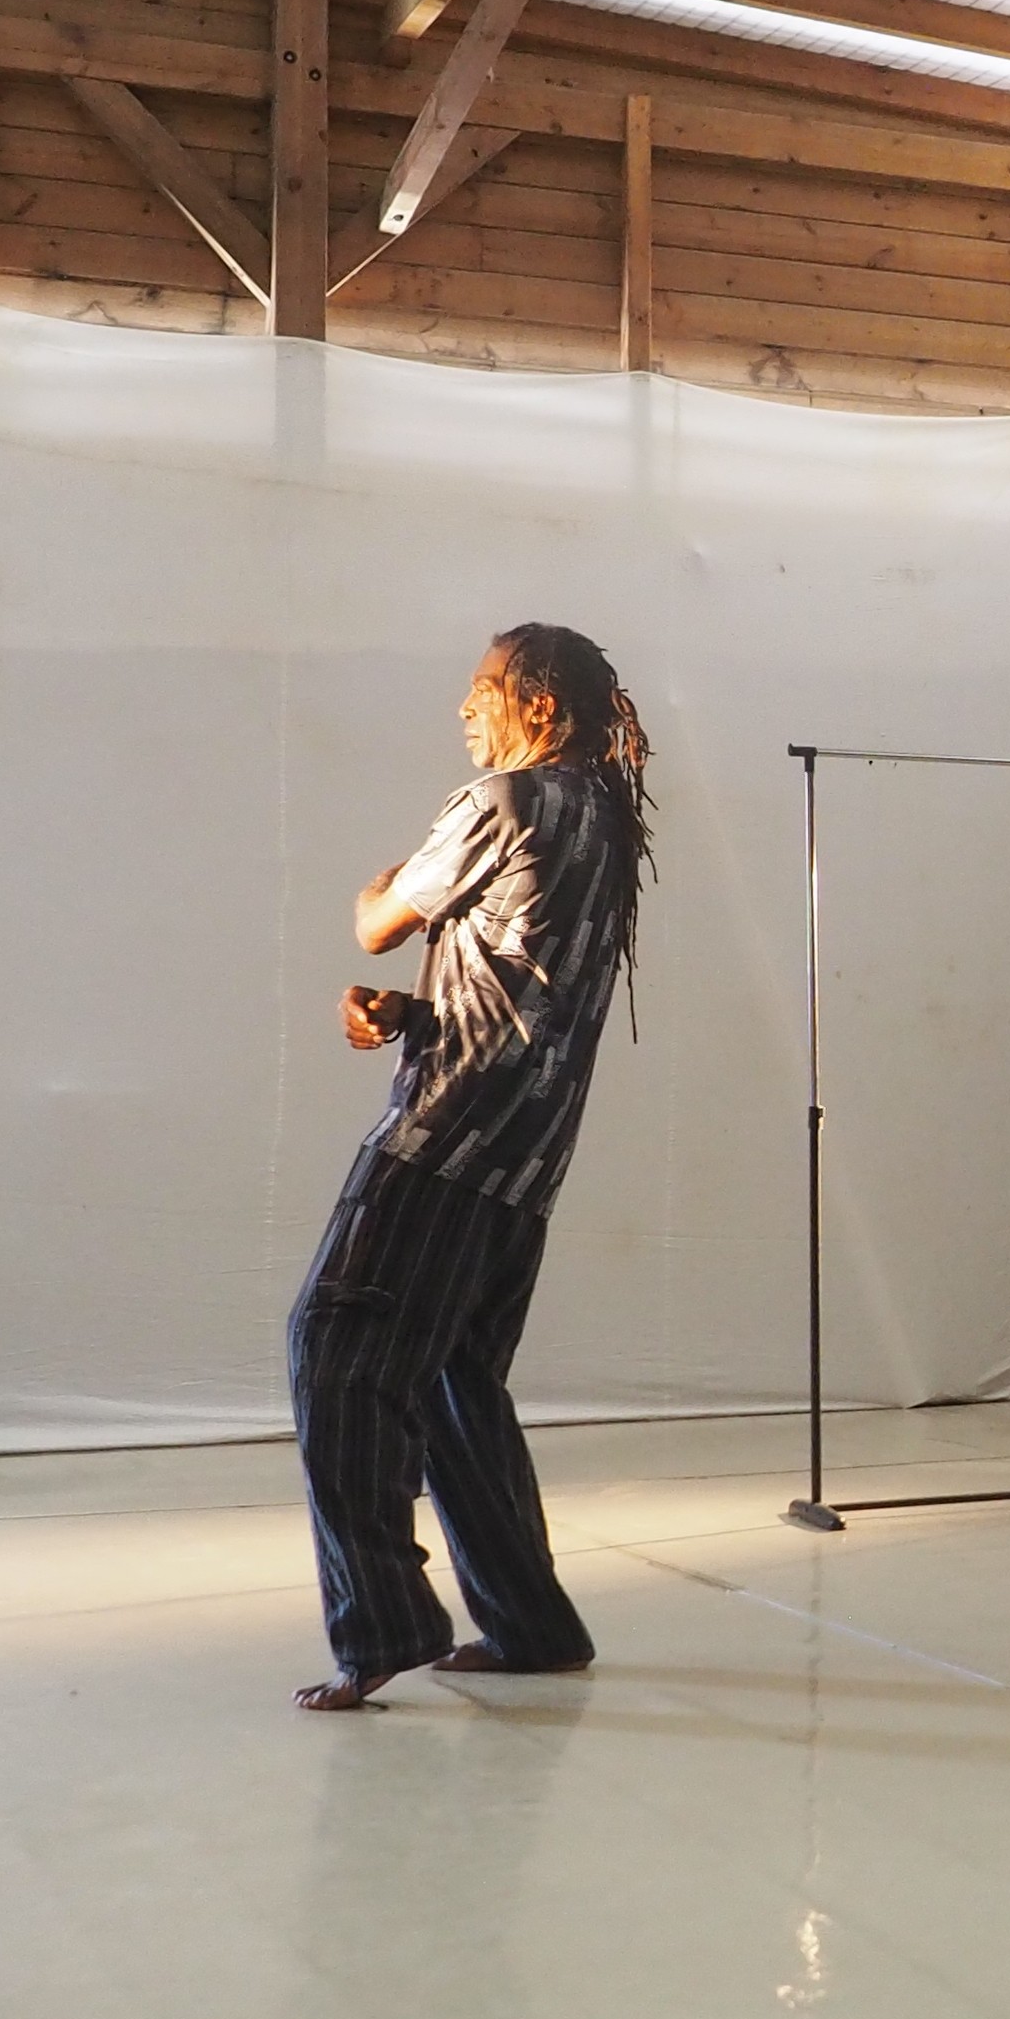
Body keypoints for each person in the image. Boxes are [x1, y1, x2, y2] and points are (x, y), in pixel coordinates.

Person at [290, 623, 652, 1712]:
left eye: (484, 687)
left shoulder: (505, 801)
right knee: (454, 1385)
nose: (465, 706)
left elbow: (374, 922)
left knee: (336, 1356)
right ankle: (531, 1625)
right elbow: (520, 986)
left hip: (441, 1147)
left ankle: (385, 1625)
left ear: (537, 706)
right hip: (523, 1168)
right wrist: (414, 1012)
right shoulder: (610, 821)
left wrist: (387, 888)